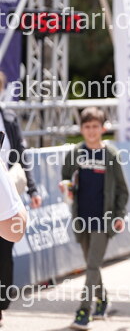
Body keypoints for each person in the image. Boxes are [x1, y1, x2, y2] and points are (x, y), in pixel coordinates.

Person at [61, 107, 129, 330]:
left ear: (103, 128)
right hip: (82, 218)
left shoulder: (111, 155)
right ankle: (103, 299)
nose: (91, 131)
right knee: (92, 265)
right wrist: (66, 188)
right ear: (81, 129)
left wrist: (119, 215)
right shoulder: (75, 153)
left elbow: (123, 190)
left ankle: (84, 311)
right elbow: (66, 179)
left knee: (92, 265)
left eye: (95, 126)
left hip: (103, 219)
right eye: (87, 126)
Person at [0, 71, 41, 326]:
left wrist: (32, 189)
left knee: (4, 253)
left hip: (8, 189)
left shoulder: (9, 118)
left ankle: (1, 305)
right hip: (6, 194)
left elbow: (21, 154)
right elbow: (15, 228)